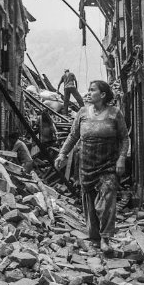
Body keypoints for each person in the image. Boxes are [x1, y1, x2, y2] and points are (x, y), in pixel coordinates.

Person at [55, 80, 129, 251]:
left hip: (108, 165)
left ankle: (106, 239)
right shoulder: (82, 113)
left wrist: (121, 159)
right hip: (87, 165)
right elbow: (73, 136)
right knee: (89, 202)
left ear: (102, 94)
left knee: (107, 200)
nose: (88, 93)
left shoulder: (115, 113)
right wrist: (62, 153)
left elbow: (124, 138)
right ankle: (95, 236)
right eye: (88, 89)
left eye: (92, 90)